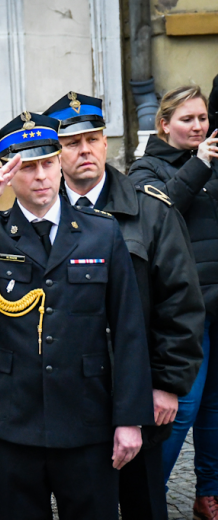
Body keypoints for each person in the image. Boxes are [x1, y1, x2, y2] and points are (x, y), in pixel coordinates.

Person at [0, 112, 155, 520]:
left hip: (86, 418)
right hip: (14, 422)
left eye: (47, 163)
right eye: (27, 167)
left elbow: (129, 329)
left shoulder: (101, 232)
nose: (41, 176)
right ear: (8, 175)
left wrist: (130, 419)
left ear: (59, 163)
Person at [44, 91, 205, 520]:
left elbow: (181, 303)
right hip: (69, 398)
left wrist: (167, 382)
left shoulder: (150, 210)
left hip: (135, 390)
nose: (85, 151)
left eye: (93, 139)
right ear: (55, 152)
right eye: (71, 143)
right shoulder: (41, 214)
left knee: (144, 504)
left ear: (105, 143)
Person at [128, 85, 218, 520]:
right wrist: (200, 166)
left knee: (216, 411)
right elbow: (160, 216)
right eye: (187, 119)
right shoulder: (145, 171)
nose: (198, 126)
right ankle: (148, 497)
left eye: (202, 118)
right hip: (185, 314)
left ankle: (208, 494)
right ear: (164, 124)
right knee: (180, 411)